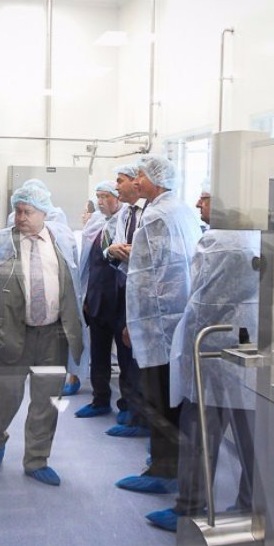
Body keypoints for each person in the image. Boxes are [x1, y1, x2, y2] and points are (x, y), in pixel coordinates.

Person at [146, 228, 259, 531]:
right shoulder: (259, 238)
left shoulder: (219, 243)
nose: (199, 205)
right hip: (250, 351)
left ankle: (190, 509)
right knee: (251, 437)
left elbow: (203, 301)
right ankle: (250, 507)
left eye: (206, 202)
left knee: (199, 436)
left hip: (211, 352)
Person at [0, 184, 84, 486]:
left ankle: (37, 460)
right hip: (11, 333)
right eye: (18, 211)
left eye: (28, 212)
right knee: (3, 397)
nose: (20, 217)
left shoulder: (62, 243)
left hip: (53, 336)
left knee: (47, 401)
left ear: (44, 213)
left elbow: (75, 285)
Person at [116, 154, 203, 495]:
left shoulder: (155, 216)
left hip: (158, 322)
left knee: (159, 401)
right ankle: (168, 466)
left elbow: (144, 276)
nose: (136, 181)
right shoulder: (181, 211)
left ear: (157, 179)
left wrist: (133, 322)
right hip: (179, 318)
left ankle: (163, 471)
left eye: (140, 175)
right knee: (172, 400)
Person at [100, 164, 148, 435]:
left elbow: (143, 253)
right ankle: (129, 407)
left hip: (145, 292)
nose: (116, 186)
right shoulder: (125, 216)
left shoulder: (151, 213)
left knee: (143, 359)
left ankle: (141, 417)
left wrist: (128, 251)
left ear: (135, 182)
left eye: (120, 181)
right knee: (127, 353)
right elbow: (116, 248)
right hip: (125, 287)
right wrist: (113, 250)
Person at [74, 181, 128, 419]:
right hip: (97, 300)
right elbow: (89, 266)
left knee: (126, 358)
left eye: (106, 196)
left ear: (118, 198)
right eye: (98, 196)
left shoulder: (128, 224)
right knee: (99, 354)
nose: (101, 201)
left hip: (120, 302)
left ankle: (128, 407)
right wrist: (86, 298)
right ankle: (100, 400)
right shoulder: (97, 225)